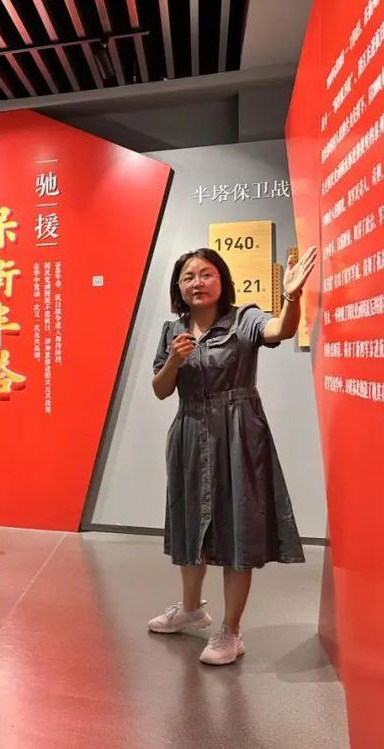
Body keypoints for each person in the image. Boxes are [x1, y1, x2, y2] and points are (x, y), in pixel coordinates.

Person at [148, 246, 317, 666]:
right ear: (178, 287)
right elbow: (161, 389)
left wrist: (292, 296)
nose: (197, 283)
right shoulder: (172, 330)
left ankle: (231, 630)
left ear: (222, 280)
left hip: (239, 431)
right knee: (191, 522)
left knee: (237, 525)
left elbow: (280, 330)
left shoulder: (244, 318)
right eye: (188, 277)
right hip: (189, 432)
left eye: (206, 274)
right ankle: (191, 610)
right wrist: (174, 360)